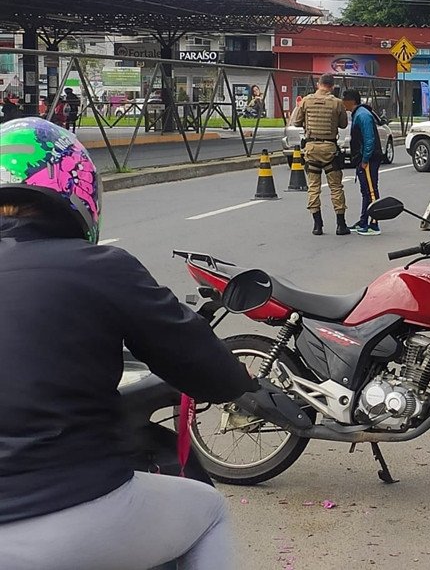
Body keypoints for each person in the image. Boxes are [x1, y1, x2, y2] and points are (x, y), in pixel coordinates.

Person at [0, 117, 258, 570]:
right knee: (209, 512)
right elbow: (210, 372)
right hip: (64, 510)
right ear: (77, 191)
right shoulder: (101, 267)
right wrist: (246, 385)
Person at [290, 72, 350, 236]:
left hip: (311, 149)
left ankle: (317, 225)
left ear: (318, 84)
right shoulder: (337, 103)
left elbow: (296, 122)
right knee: (336, 187)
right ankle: (341, 224)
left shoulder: (306, 101)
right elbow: (344, 125)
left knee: (313, 188)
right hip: (329, 148)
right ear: (332, 86)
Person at [342, 89, 383, 236]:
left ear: (351, 101)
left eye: (344, 99)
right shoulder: (358, 114)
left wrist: (365, 159)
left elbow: (369, 139)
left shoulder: (363, 115)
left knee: (371, 191)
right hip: (363, 158)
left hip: (369, 159)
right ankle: (363, 220)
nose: (343, 103)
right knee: (365, 191)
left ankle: (374, 223)